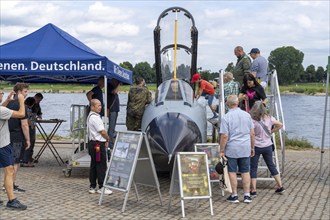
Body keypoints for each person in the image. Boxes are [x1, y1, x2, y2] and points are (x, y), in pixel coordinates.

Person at [219, 95, 255, 203]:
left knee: (232, 171)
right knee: (245, 171)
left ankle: (234, 195)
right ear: (238, 103)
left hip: (232, 148)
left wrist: (221, 150)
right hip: (245, 147)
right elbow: (252, 133)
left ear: (227, 105)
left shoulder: (226, 117)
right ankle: (247, 195)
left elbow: (225, 136)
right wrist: (252, 147)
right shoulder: (247, 115)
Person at [249, 101, 285, 196]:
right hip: (268, 145)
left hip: (256, 145)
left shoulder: (252, 120)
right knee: (271, 165)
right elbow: (280, 125)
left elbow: (252, 134)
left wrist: (251, 147)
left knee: (253, 167)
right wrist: (271, 131)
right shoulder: (270, 118)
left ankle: (253, 189)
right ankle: (280, 186)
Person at [0, 90, 28, 210]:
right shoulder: (1, 111)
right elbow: (21, 114)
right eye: (1, 93)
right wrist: (21, 100)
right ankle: (12, 200)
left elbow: (2, 109)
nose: (2, 94)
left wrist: (6, 100)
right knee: (10, 170)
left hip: (2, 143)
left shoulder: (1, 109)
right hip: (2, 145)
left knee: (9, 170)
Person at [6, 83, 30, 193]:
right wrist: (28, 139)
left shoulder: (8, 104)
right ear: (19, 92)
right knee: (15, 162)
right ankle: (10, 186)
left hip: (7, 136)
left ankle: (8, 184)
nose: (27, 94)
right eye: (25, 91)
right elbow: (24, 125)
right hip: (17, 137)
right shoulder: (22, 106)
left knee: (9, 163)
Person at [87, 99, 112, 195]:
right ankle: (101, 186)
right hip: (98, 144)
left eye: (100, 105)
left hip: (92, 143)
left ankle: (92, 186)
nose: (100, 107)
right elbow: (102, 131)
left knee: (94, 165)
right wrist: (107, 139)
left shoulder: (90, 116)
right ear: (92, 107)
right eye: (98, 105)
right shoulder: (95, 118)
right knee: (101, 165)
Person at [21, 97, 37, 167]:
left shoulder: (23, 108)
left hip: (26, 128)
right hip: (30, 128)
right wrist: (31, 124)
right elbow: (28, 120)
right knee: (29, 144)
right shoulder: (28, 109)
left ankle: (22, 160)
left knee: (24, 144)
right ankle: (26, 161)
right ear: (32, 103)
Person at [107, 78, 120, 149]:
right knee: (111, 128)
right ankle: (110, 144)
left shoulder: (113, 86)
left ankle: (110, 142)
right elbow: (114, 92)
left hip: (115, 109)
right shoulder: (109, 86)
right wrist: (118, 85)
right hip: (112, 110)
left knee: (113, 127)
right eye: (116, 81)